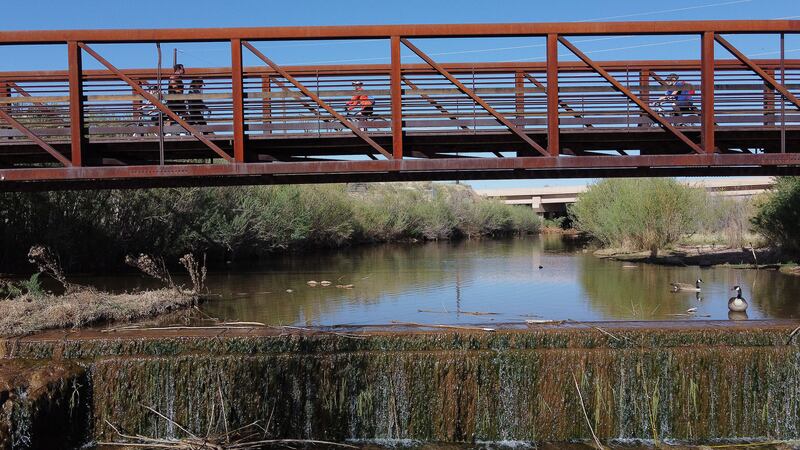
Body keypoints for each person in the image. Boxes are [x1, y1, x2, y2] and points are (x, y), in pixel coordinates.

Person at [167, 64, 187, 130]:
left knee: (173, 118)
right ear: (178, 69)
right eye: (182, 69)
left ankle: (188, 130)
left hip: (178, 101)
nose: (184, 71)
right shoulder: (173, 77)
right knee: (171, 119)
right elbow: (173, 83)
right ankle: (164, 132)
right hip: (174, 101)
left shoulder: (179, 78)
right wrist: (178, 91)